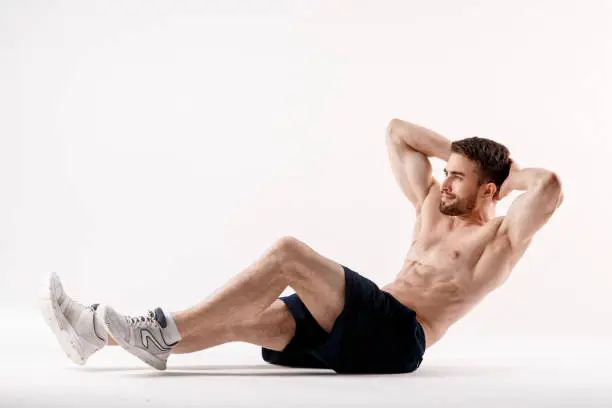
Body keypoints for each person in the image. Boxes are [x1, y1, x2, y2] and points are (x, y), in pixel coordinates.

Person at [40, 118, 564, 374]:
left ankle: (156, 331)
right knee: (243, 319)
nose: (445, 183)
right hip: (355, 325)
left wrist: (508, 174)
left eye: (458, 178)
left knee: (289, 252)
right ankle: (96, 333)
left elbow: (549, 188)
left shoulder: (499, 240)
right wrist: (461, 155)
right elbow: (397, 132)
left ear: (490, 191)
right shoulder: (430, 204)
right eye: (446, 172)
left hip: (399, 338)